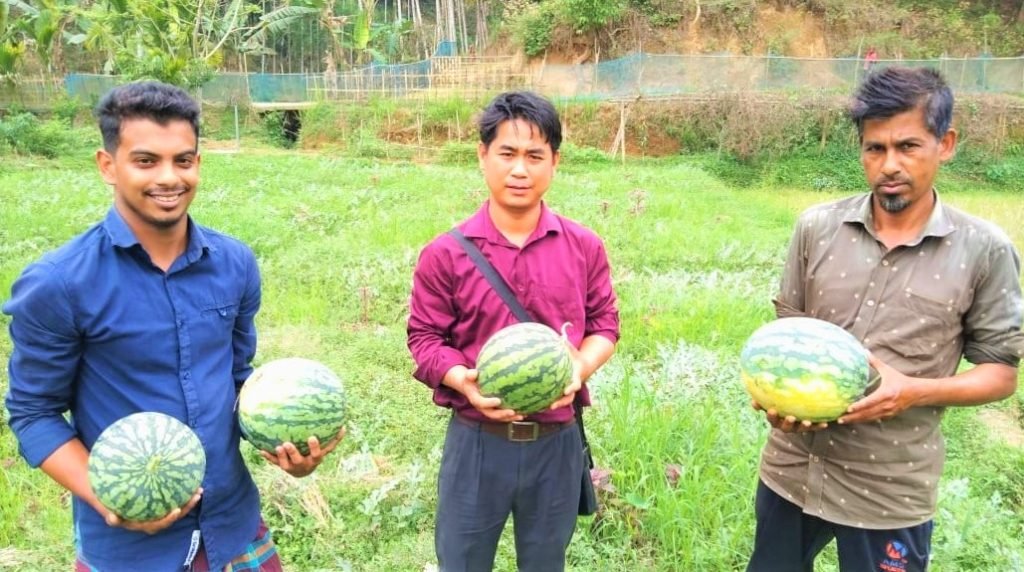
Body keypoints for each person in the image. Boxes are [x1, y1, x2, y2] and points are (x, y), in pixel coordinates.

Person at [4, 81, 341, 572]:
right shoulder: (59, 283)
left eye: (183, 160)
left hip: (233, 525)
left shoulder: (235, 264)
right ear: (107, 165)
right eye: (146, 161)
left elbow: (237, 378)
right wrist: (110, 498)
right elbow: (34, 413)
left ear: (198, 163)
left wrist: (286, 440)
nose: (169, 177)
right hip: (127, 549)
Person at [747, 67, 1023, 571]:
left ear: (946, 144)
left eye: (908, 146)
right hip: (791, 471)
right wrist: (775, 401)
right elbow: (787, 331)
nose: (889, 165)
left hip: (889, 489)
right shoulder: (816, 227)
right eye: (875, 148)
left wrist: (914, 391)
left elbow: (1000, 374)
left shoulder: (985, 249)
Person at [407, 91, 620, 572]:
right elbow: (424, 339)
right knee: (461, 562)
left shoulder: (584, 246)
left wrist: (580, 366)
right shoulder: (446, 254)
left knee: (545, 563)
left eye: (534, 156)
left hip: (556, 442)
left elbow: (605, 324)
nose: (520, 170)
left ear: (555, 162)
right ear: (483, 156)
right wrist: (463, 380)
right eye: (507, 153)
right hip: (476, 441)